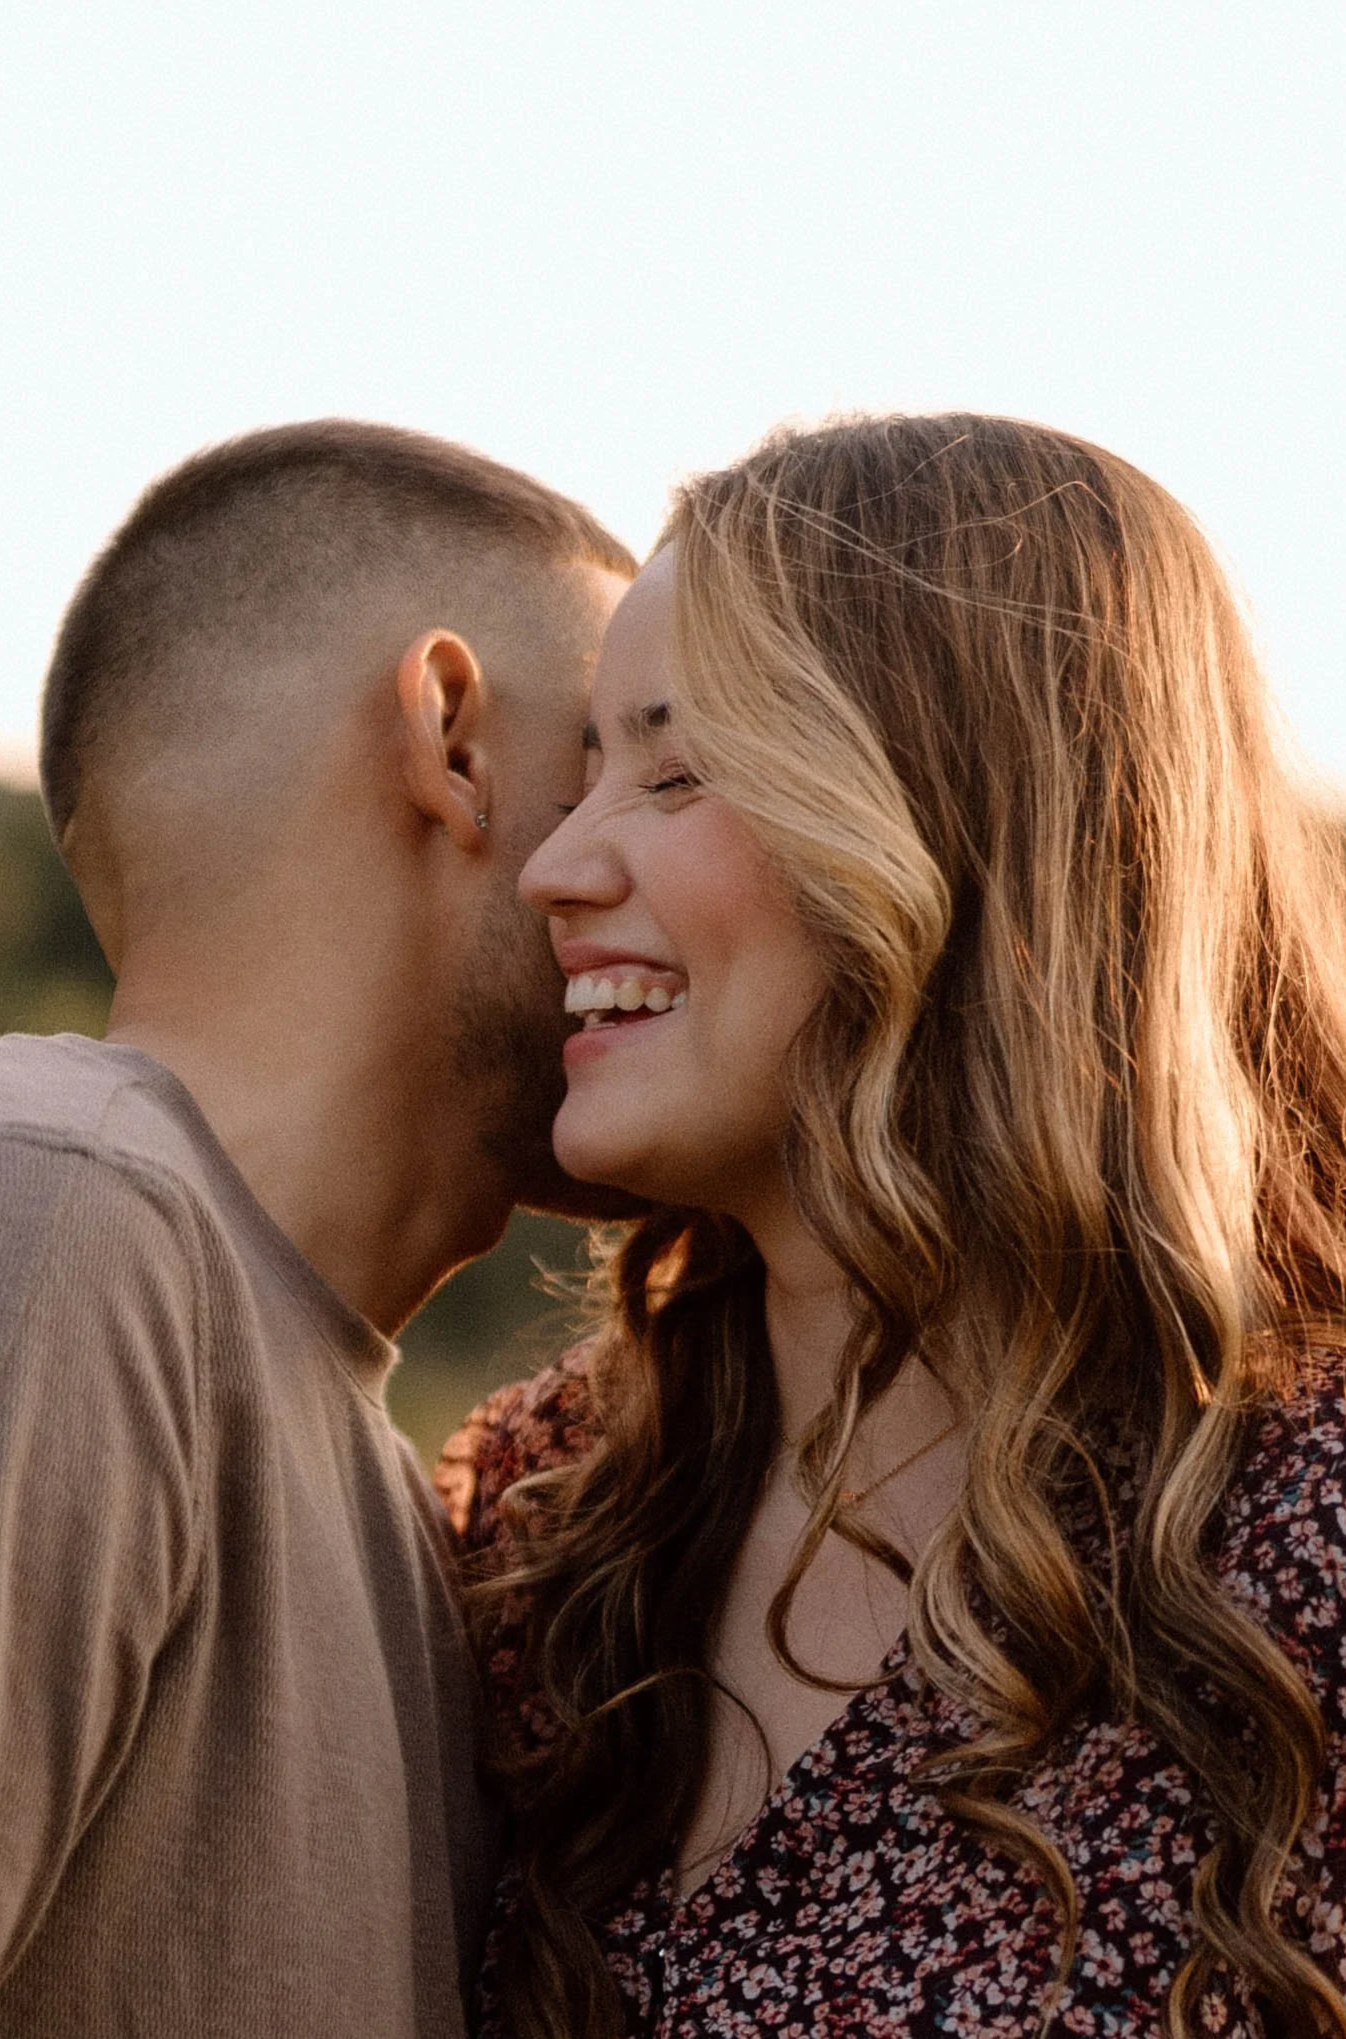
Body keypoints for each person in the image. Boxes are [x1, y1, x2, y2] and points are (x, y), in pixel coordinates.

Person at [439, 413, 1346, 2037]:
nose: (556, 866)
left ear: (960, 823)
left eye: (675, 764)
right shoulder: (540, 1516)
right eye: (585, 767)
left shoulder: (1303, 1525)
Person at [0, 419, 634, 2037]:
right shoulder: (63, 1208)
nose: (683, 868)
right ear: (452, 736)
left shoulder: (381, 1479)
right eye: (629, 760)